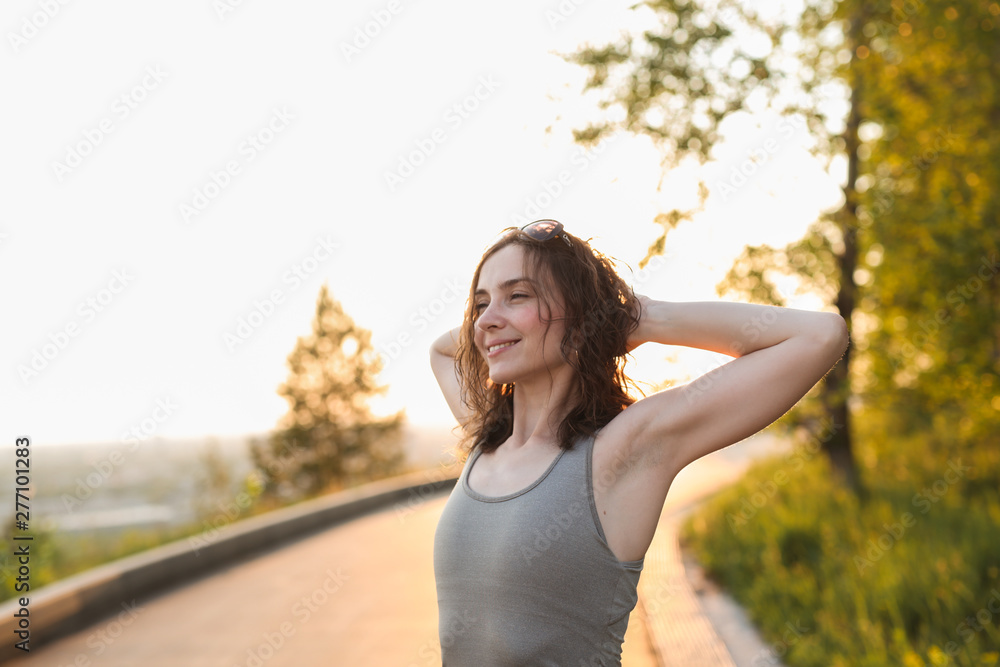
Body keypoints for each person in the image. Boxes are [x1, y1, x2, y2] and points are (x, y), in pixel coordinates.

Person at [430, 220, 848, 665]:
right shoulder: (486, 442)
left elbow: (820, 335)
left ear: (578, 313)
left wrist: (630, 318)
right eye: (480, 304)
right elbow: (441, 350)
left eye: (518, 295)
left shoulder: (621, 451)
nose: (487, 320)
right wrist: (510, 321)